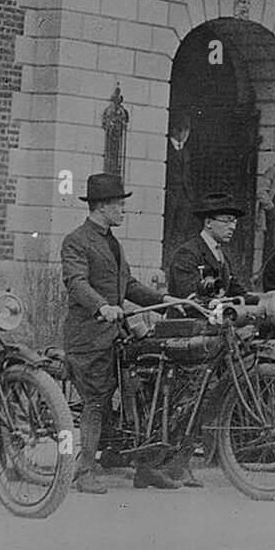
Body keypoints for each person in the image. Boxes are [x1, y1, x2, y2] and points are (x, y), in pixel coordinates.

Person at [61, 173, 167, 493]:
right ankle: (84, 471)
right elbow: (77, 282)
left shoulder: (112, 241)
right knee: (96, 401)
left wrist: (164, 301)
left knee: (139, 392)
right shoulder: (77, 240)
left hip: (115, 334)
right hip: (89, 336)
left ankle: (144, 467)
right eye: (120, 205)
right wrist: (101, 306)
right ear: (103, 206)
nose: (124, 211)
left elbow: (128, 285)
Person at [167, 192, 248, 300]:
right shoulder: (187, 253)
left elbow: (237, 293)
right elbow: (191, 296)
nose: (232, 227)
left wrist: (266, 301)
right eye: (227, 221)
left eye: (234, 221)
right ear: (208, 222)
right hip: (188, 316)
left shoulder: (222, 257)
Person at [163, 113, 196, 257]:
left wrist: (190, 197)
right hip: (170, 196)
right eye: (182, 130)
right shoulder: (166, 149)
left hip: (184, 197)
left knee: (180, 232)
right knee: (167, 230)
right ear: (175, 130)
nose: (185, 134)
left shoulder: (186, 150)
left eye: (187, 130)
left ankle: (175, 259)